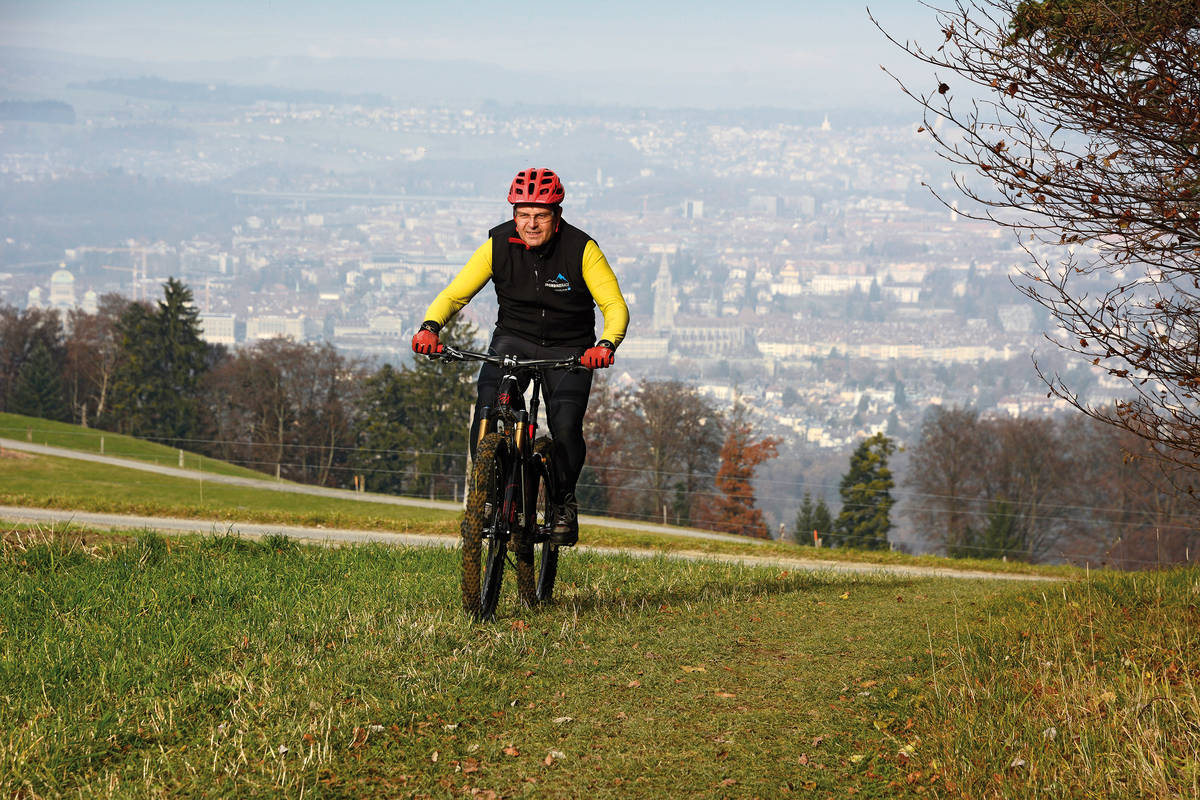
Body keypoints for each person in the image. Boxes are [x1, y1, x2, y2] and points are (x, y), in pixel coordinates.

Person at [412, 167, 629, 546]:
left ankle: (562, 502)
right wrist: (431, 326)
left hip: (571, 349)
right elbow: (455, 293)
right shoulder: (497, 244)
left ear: (557, 217)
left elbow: (614, 305)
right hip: (514, 339)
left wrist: (605, 345)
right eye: (523, 214)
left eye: (540, 215)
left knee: (564, 427)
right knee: (487, 406)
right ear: (514, 214)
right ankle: (488, 494)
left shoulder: (582, 249)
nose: (531, 224)